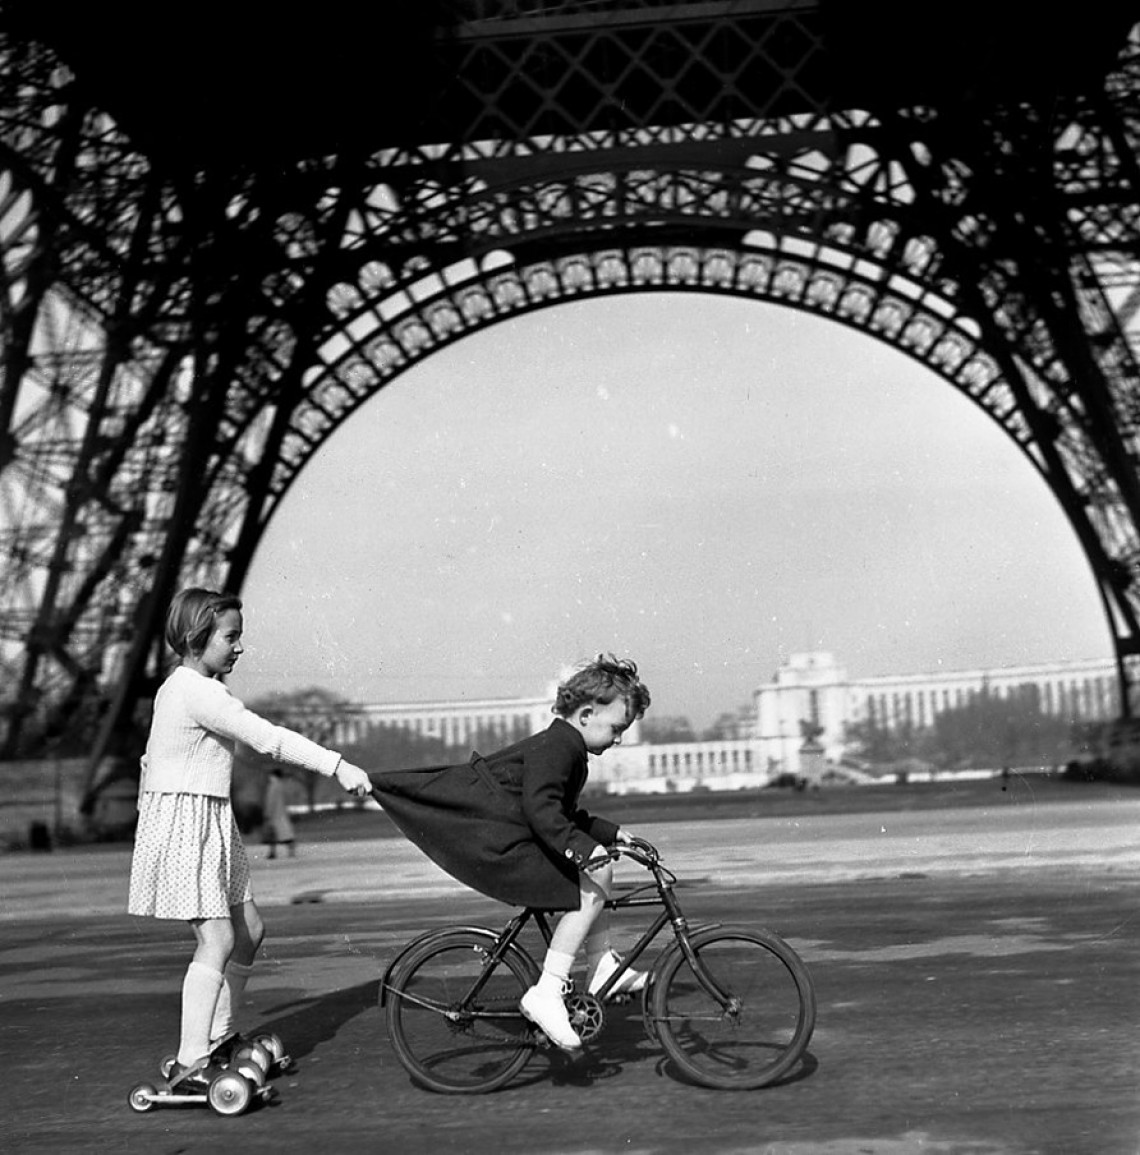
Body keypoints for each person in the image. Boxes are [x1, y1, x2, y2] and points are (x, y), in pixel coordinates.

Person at [127, 587, 372, 1090]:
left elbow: (152, 757)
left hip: (208, 817)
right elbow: (268, 738)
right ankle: (190, 1058)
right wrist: (337, 765)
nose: (239, 647)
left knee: (250, 930)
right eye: (231, 636)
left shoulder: (186, 687)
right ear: (198, 636)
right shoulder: (196, 691)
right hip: (186, 822)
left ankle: (218, 1038)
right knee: (216, 938)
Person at [372, 654, 651, 1050]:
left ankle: (602, 964)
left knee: (598, 870)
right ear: (587, 714)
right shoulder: (559, 748)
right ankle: (549, 990)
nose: (620, 738)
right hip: (500, 845)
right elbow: (543, 811)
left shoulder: (566, 745)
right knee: (595, 874)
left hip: (508, 837)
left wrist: (612, 834)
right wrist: (586, 851)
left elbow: (564, 814)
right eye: (618, 728)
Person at [262, 768, 296, 859]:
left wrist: (268, 812)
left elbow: (271, 801)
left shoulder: (273, 786)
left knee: (273, 834)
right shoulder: (282, 786)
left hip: (275, 814)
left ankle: (273, 852)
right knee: (285, 834)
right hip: (282, 813)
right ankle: (290, 851)